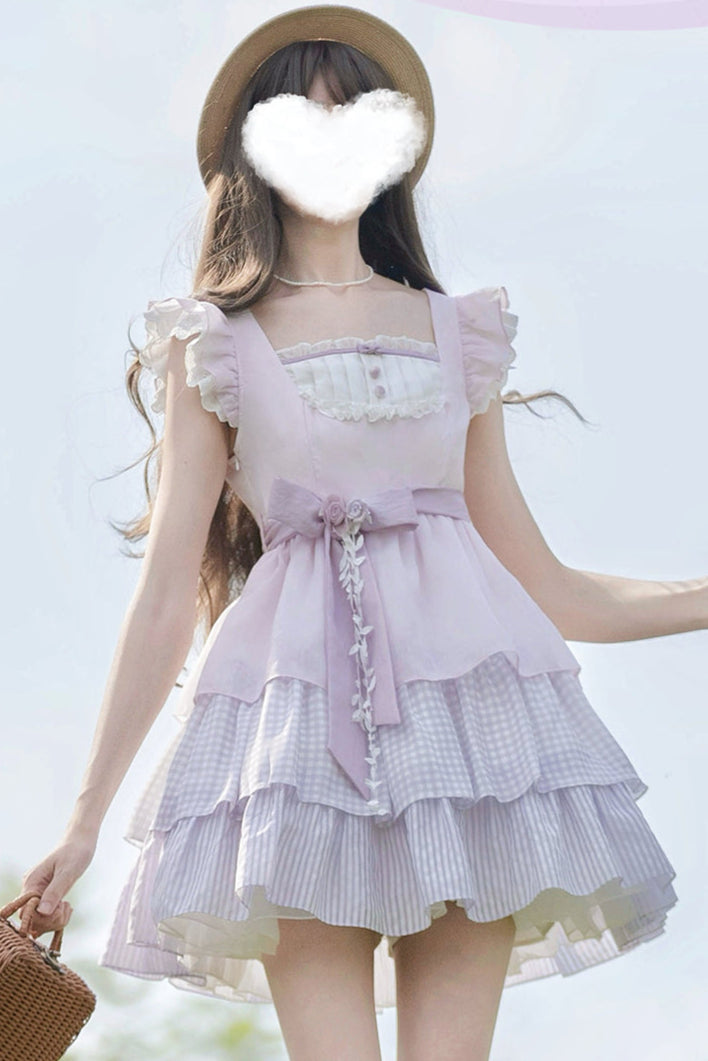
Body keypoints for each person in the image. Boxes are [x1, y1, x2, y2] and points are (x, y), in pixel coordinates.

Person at [19, 6, 705, 1061]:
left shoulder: (461, 331)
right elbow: (163, 599)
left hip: (471, 739)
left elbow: (549, 586)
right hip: (293, 739)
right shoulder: (214, 341)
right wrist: (82, 822)